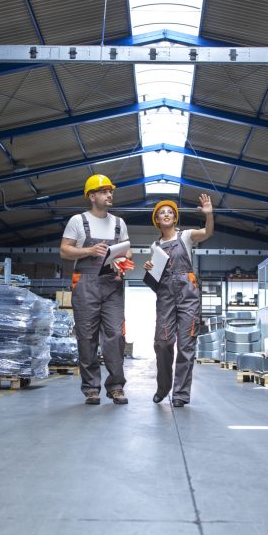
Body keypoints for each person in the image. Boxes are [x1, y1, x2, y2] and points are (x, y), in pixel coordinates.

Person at [60, 174, 131, 406]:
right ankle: (91, 388)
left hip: (113, 285)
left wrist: (124, 262)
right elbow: (65, 251)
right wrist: (90, 251)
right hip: (85, 284)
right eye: (103, 191)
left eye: (110, 191)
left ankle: (116, 386)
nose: (109, 195)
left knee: (115, 336)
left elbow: (126, 252)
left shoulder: (119, 223)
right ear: (92, 196)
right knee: (87, 337)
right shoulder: (78, 221)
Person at [143, 194, 214, 407]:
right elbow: (155, 277)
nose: (166, 214)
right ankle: (163, 387)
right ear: (157, 219)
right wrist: (148, 268)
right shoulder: (154, 246)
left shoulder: (185, 236)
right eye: (162, 212)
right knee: (162, 343)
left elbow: (207, 232)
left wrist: (209, 215)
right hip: (165, 296)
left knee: (186, 346)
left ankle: (181, 394)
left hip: (188, 296)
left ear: (175, 219)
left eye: (170, 212)